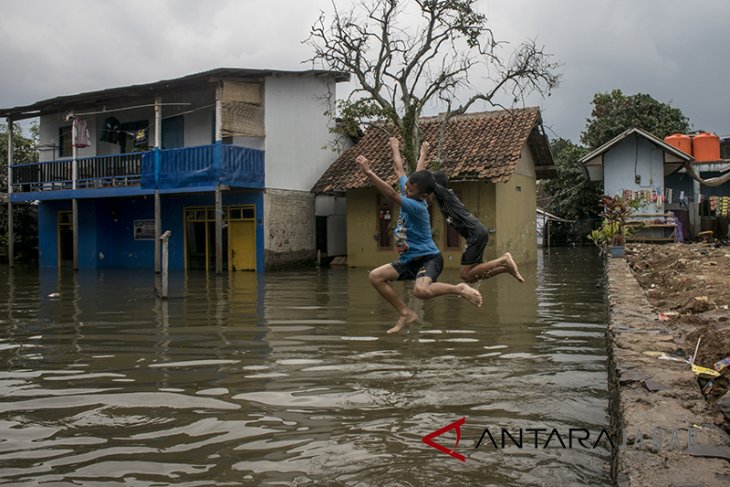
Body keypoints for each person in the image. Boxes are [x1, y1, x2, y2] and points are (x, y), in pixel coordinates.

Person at [355, 137, 483, 334]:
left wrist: (369, 172)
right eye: (406, 187)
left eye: (409, 189)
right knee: (375, 277)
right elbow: (401, 170)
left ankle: (459, 289)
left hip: (428, 258)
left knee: (420, 291)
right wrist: (397, 148)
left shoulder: (416, 206)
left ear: (422, 196)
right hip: (409, 260)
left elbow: (390, 194)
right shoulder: (412, 191)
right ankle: (406, 313)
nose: (405, 189)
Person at [417, 142, 525, 284]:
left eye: (427, 193)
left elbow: (418, 179)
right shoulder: (443, 201)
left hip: (476, 234)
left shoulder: (443, 194)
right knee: (471, 276)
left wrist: (423, 154)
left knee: (465, 274)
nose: (426, 196)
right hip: (476, 234)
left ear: (434, 188)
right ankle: (505, 268)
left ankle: (504, 259)